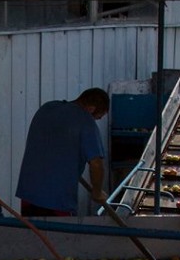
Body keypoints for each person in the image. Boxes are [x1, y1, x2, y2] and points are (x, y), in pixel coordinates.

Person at [15, 88, 110, 217]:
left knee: (31, 229)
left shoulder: (47, 108)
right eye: (97, 118)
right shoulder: (85, 121)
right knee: (58, 230)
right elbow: (96, 164)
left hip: (29, 194)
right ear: (91, 109)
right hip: (57, 200)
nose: (95, 121)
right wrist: (97, 192)